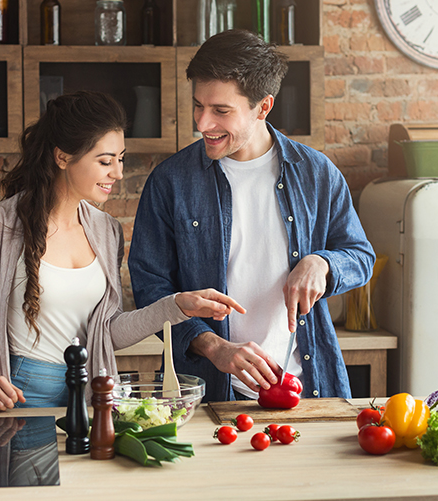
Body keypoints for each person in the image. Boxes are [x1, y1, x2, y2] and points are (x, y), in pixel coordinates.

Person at [0, 90, 244, 413]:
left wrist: (177, 305)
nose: (118, 173)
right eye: (105, 161)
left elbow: (107, 332)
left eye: (120, 159)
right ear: (63, 157)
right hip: (19, 396)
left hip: (89, 396)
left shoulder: (106, 231)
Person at [128, 30, 375, 403]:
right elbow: (151, 288)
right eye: (198, 105)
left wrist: (322, 263)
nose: (202, 123)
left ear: (263, 107)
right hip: (207, 394)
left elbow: (360, 256)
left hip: (306, 389)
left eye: (221, 111)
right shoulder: (171, 182)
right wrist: (213, 346)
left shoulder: (317, 174)